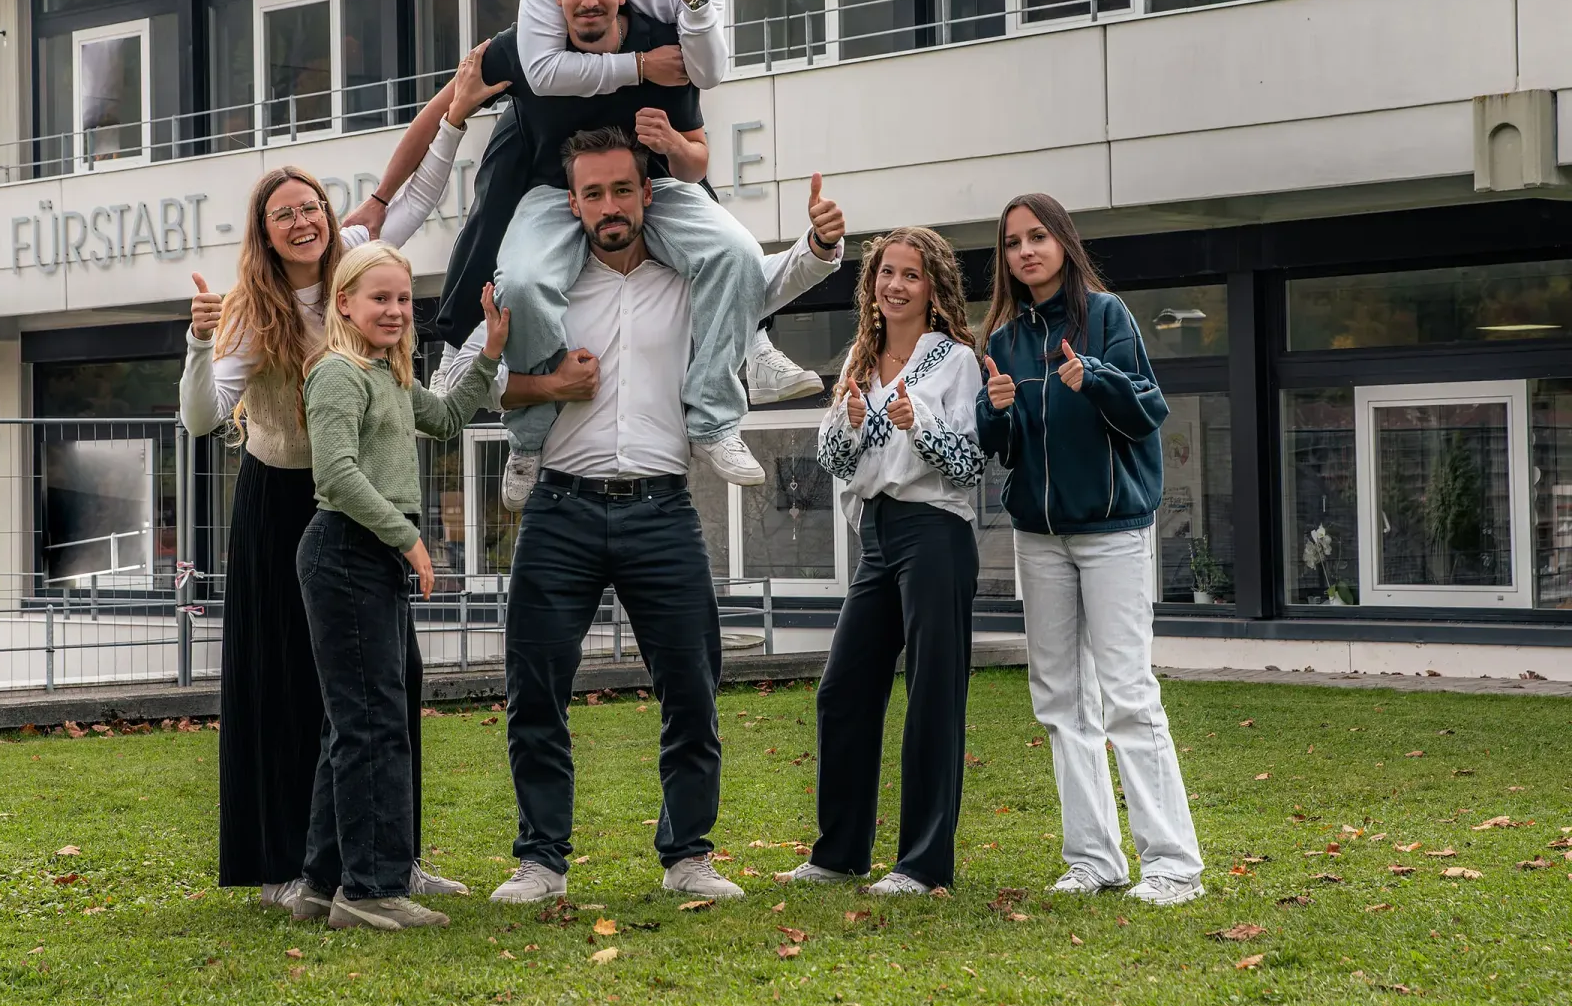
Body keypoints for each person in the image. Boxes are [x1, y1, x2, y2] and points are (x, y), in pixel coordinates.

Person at [438, 128, 847, 904]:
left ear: (646, 195)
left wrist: (820, 246)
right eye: (593, 194)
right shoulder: (539, 291)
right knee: (534, 691)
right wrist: (545, 386)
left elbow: (763, 283)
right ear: (573, 204)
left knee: (691, 688)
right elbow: (462, 377)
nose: (609, 206)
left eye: (622, 190)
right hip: (559, 507)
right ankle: (541, 862)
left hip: (663, 508)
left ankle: (688, 855)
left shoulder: (687, 279)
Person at [179, 48, 506, 917]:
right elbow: (208, 415)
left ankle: (390, 852)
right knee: (298, 685)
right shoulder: (253, 314)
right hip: (286, 501)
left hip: (358, 497)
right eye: (283, 215)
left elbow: (420, 196)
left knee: (383, 683)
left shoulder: (359, 265)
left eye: (310, 208)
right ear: (265, 230)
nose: (302, 223)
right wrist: (195, 344)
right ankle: (295, 863)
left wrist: (459, 116)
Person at [342, 0, 821, 404]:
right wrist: (380, 199)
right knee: (496, 194)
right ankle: (455, 351)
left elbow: (706, 75)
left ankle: (755, 347)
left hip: (624, 131)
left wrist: (692, 1)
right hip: (545, 130)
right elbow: (477, 96)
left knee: (691, 186)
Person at [974, 192, 1205, 906]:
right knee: (1060, 701)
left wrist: (1095, 377)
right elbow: (1002, 451)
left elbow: (1148, 413)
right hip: (1039, 539)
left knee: (1129, 697)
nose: (1025, 252)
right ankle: (1094, 860)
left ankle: (1173, 866)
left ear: (1063, 243)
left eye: (1037, 236)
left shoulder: (1106, 317)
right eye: (1013, 243)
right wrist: (995, 412)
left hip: (1112, 533)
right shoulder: (1006, 338)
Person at [299, 247, 508, 931]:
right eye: (378, 298)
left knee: (355, 722)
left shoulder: (387, 374)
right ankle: (371, 890)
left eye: (401, 301)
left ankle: (323, 882)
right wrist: (409, 537)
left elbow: (446, 419)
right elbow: (335, 475)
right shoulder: (338, 374)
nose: (392, 311)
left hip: (369, 557)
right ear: (345, 305)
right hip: (348, 552)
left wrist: (488, 354)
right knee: (373, 726)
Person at [794, 229, 984, 896]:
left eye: (911, 275)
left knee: (932, 696)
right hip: (877, 536)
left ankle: (922, 863)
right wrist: (849, 417)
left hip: (935, 531)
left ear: (933, 288)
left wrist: (916, 423)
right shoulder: (861, 356)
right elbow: (835, 462)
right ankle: (840, 853)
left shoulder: (956, 361)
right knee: (844, 690)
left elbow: (970, 462)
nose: (895, 285)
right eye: (886, 273)